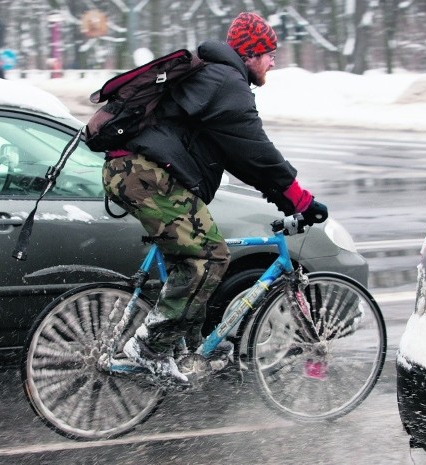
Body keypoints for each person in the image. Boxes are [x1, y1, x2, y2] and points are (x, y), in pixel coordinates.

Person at [102, 11, 329, 385]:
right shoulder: (226, 83)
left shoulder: (215, 78)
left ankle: (189, 344)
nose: (273, 60)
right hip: (145, 175)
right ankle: (149, 348)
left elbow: (242, 159)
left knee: (193, 261)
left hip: (136, 172)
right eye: (269, 52)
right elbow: (258, 153)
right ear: (251, 54)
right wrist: (301, 201)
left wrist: (285, 198)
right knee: (211, 256)